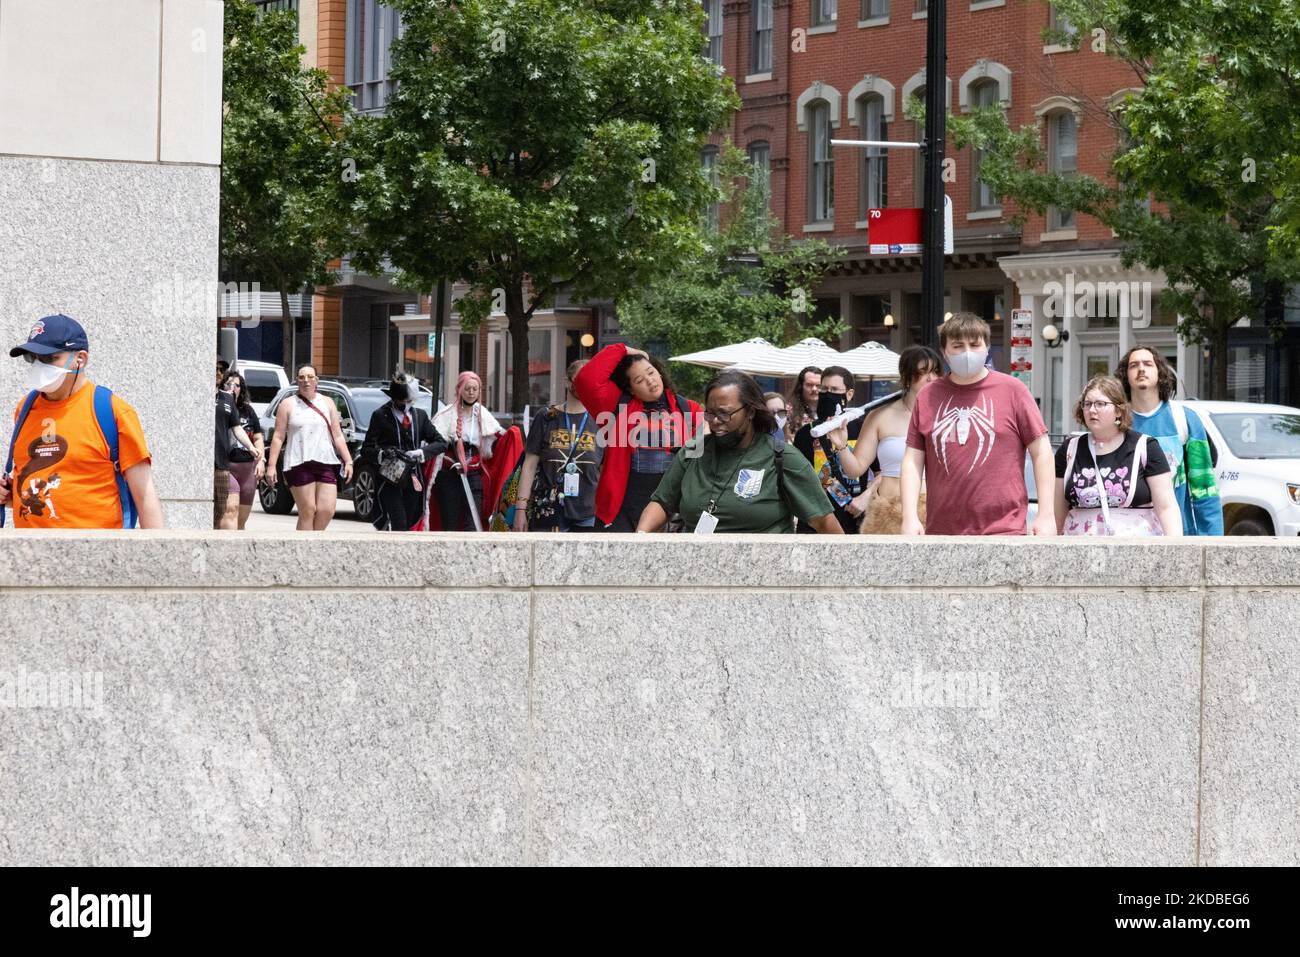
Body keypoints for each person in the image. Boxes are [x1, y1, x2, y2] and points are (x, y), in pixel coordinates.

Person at [0, 313, 163, 528]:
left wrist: (154, 556)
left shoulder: (112, 411)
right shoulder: (25, 408)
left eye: (49, 358)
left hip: (97, 555)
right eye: (33, 358)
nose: (39, 365)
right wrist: (13, 494)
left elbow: (144, 496)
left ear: (80, 359)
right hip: (30, 553)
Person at [901, 312, 1056, 536]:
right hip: (942, 531)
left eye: (975, 345)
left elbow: (1041, 451)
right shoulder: (927, 396)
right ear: (944, 352)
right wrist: (909, 516)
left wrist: (1046, 515)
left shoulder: (1013, 390)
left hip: (1004, 529)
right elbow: (913, 460)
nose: (967, 352)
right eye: (958, 346)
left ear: (987, 347)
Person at [636, 369, 844, 534]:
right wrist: (641, 536)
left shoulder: (783, 458)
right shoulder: (693, 451)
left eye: (725, 414)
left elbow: (824, 523)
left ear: (751, 411)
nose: (716, 422)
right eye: (710, 413)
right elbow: (662, 503)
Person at [573, 343, 701, 532]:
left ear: (659, 371)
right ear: (631, 389)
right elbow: (586, 379)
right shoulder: (616, 405)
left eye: (651, 372)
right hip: (622, 512)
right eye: (639, 380)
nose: (650, 381)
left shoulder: (689, 408)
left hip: (671, 513)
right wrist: (624, 349)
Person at [828, 345, 943, 535]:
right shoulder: (880, 416)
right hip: (886, 513)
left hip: (935, 511)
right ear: (907, 376)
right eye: (922, 372)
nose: (930, 379)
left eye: (935, 372)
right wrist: (841, 445)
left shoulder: (946, 415)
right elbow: (855, 468)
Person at [1053, 376, 1182, 536]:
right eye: (1087, 404)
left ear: (1119, 410)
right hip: (1080, 553)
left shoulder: (1146, 447)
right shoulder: (1069, 450)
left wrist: (1175, 548)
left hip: (1136, 551)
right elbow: (1057, 514)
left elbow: (1166, 507)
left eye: (1101, 404)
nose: (1092, 410)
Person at [1115, 346, 1222, 535]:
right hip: (1126, 536)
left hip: (1177, 534)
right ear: (1125, 375)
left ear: (1160, 372)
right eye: (1133, 365)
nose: (1141, 369)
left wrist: (1212, 540)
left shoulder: (1185, 420)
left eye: (1148, 364)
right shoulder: (1116, 421)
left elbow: (1204, 487)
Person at [514, 359, 603, 532]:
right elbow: (530, 464)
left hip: (588, 512)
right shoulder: (547, 416)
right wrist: (520, 508)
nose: (583, 385)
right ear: (567, 381)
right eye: (579, 380)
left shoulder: (601, 419)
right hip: (548, 509)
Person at [265, 365, 354, 531]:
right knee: (308, 510)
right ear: (297, 381)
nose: (306, 380)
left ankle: (313, 544)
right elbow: (278, 436)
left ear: (316, 380)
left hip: (325, 460)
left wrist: (348, 460)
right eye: (302, 377)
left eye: (310, 377)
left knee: (327, 510)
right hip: (299, 461)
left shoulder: (327, 402)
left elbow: (337, 435)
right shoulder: (287, 404)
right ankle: (304, 549)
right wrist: (271, 466)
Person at [363, 372, 447, 531]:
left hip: (414, 476)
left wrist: (420, 453)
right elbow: (367, 449)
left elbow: (440, 443)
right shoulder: (381, 415)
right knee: (398, 520)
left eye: (409, 401)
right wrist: (383, 453)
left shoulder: (420, 416)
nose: (405, 404)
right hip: (390, 477)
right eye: (402, 401)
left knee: (410, 520)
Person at [793, 365, 870, 533]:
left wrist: (865, 497)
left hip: (854, 522)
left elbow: (883, 474)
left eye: (834, 389)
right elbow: (800, 480)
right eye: (824, 389)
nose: (827, 394)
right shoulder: (806, 434)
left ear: (849, 394)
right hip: (816, 525)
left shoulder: (864, 428)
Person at [429, 371, 506, 531]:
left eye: (475, 389)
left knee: (473, 524)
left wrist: (512, 435)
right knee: (450, 523)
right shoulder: (447, 414)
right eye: (467, 389)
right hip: (449, 475)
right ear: (459, 390)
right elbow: (434, 441)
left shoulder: (482, 413)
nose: (471, 393)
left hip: (473, 474)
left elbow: (497, 436)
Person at [221, 371, 266, 530]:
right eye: (228, 383)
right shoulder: (220, 407)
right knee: (231, 509)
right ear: (222, 385)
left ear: (242, 389)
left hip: (248, 469)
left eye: (237, 385)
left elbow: (258, 438)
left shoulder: (248, 410)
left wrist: (261, 461)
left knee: (241, 521)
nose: (232, 388)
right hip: (227, 466)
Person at [785, 366, 821, 443]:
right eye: (809, 385)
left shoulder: (831, 409)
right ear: (800, 386)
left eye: (818, 385)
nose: (814, 389)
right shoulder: (788, 411)